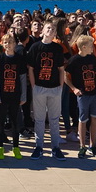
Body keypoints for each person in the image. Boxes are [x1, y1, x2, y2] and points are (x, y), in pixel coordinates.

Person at [27, 21, 67, 160]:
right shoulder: (35, 47)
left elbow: (61, 69)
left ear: (55, 33)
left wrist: (60, 87)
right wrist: (34, 86)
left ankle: (55, 147)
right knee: (39, 119)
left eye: (53, 29)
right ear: (43, 31)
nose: (50, 30)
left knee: (54, 119)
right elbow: (30, 68)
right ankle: (39, 146)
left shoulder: (58, 48)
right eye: (48, 28)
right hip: (39, 87)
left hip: (55, 88)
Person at [65, 34, 96, 158]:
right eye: (91, 46)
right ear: (84, 47)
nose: (92, 48)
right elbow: (65, 76)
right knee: (83, 119)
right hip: (83, 94)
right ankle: (82, 146)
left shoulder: (92, 58)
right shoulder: (74, 60)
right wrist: (74, 89)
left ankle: (93, 145)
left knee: (95, 118)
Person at [0, 31, 26, 159]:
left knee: (15, 121)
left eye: (11, 42)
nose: (8, 45)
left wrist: (23, 96)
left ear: (15, 44)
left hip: (15, 95)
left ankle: (16, 147)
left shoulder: (19, 59)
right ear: (2, 44)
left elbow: (22, 78)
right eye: (6, 42)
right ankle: (0, 146)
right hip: (2, 96)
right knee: (0, 121)